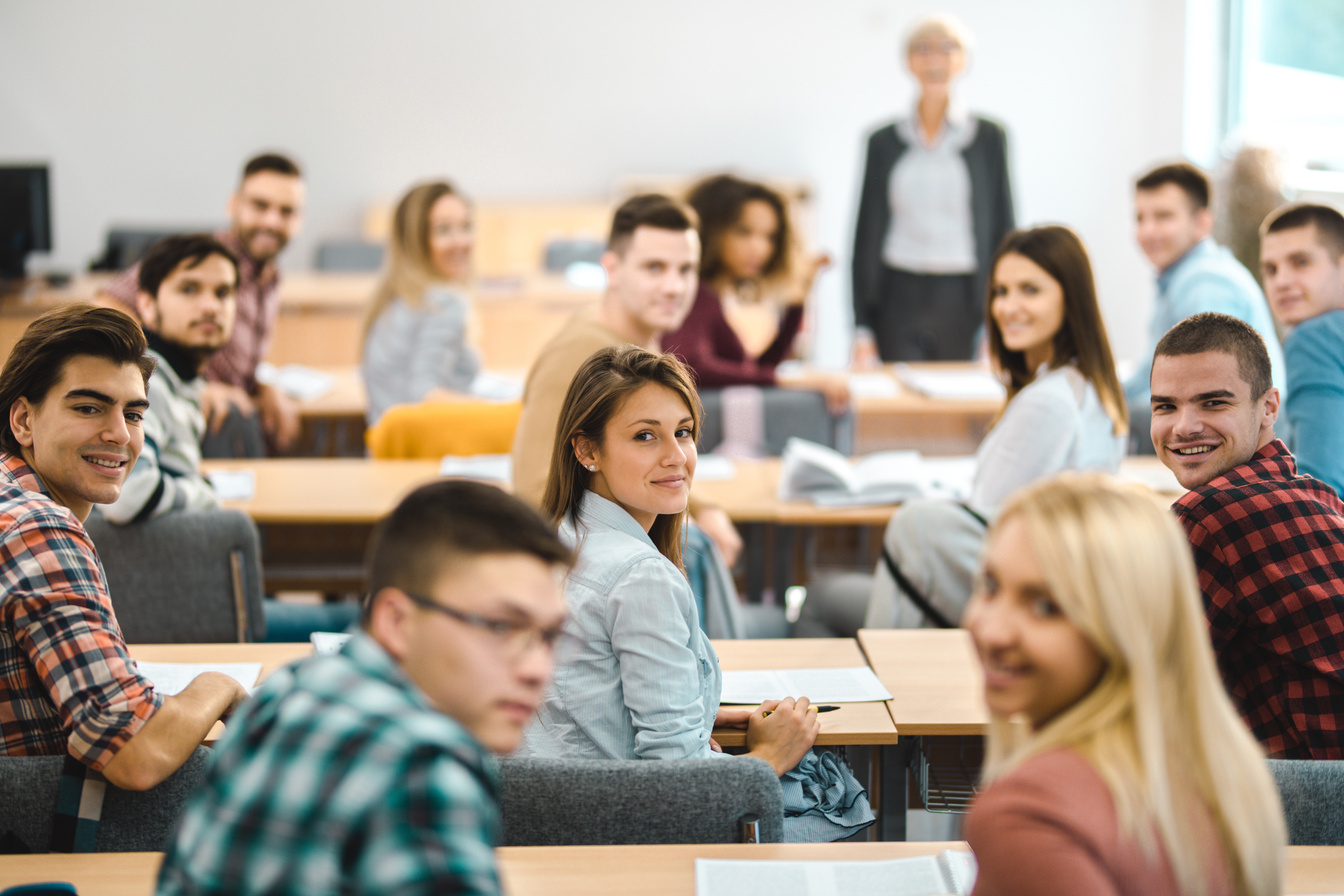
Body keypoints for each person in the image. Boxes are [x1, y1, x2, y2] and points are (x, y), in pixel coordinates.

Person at [521, 344, 872, 840]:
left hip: (553, 821)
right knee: (842, 796)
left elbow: (588, 698)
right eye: (646, 436)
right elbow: (681, 793)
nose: (676, 457)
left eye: (683, 433)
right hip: (625, 840)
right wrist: (769, 757)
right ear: (586, 450)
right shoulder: (640, 576)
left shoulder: (556, 538)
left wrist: (700, 707)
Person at [155, 480, 571, 895]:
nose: (538, 669)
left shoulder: (288, 689)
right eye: (500, 626)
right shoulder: (423, 766)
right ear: (397, 622)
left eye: (549, 636)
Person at [962, 473, 1284, 896]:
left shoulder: (1031, 814)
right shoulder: (1215, 769)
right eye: (990, 586)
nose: (993, 631)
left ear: (1124, 626)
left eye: (1046, 607)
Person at [0, 303, 246, 795]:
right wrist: (217, 686)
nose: (119, 434)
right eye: (88, 407)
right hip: (45, 829)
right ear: (24, 421)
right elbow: (136, 754)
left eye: (133, 413)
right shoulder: (37, 527)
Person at [862, 226, 1127, 631]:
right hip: (1058, 580)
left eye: (1029, 290)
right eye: (1001, 292)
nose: (1008, 306)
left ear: (1070, 297)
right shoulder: (1090, 387)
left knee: (911, 528)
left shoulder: (1048, 401)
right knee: (835, 594)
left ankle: (879, 675)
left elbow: (986, 517)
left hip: (1021, 587)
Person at [99, 235, 358, 640]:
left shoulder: (178, 382)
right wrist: (201, 492)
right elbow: (125, 498)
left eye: (223, 293)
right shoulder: (148, 388)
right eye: (189, 289)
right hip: (176, 608)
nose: (209, 305)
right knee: (361, 623)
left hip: (182, 589)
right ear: (146, 305)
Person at [511, 193, 743, 569]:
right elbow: (536, 494)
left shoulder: (640, 341)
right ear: (612, 268)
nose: (674, 287)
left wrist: (704, 507)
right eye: (654, 267)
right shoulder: (580, 352)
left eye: (685, 270)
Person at [1150, 312, 1344, 759]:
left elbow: (1134, 680)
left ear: (1269, 408)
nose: (1184, 427)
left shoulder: (1208, 517)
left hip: (1309, 809)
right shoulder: (1320, 496)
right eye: (1166, 406)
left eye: (1214, 403)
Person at [98, 152, 306, 454]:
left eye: (286, 211)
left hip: (230, 416)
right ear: (233, 204)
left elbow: (236, 364)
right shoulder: (201, 260)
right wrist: (188, 385)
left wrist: (262, 387)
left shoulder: (269, 277)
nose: (272, 221)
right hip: (187, 419)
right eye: (260, 206)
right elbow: (105, 309)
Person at [851, 14, 1015, 364]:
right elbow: (865, 233)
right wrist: (861, 326)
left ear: (964, 61)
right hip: (898, 292)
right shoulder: (882, 141)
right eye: (923, 49)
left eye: (948, 48)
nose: (935, 58)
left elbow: (1004, 226)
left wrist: (999, 318)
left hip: (964, 292)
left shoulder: (988, 138)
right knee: (900, 400)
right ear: (908, 61)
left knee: (958, 402)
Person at [662, 174, 847, 412]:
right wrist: (785, 381)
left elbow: (756, 371)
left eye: (769, 236)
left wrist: (797, 304)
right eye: (744, 232)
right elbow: (689, 366)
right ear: (711, 229)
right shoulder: (696, 293)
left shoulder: (713, 295)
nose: (760, 248)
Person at [1125, 162, 1284, 420]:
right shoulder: (1182, 276)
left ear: (1202, 223)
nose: (1147, 231)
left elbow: (1204, 392)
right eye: (1140, 218)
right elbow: (1149, 376)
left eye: (1163, 216)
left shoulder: (1204, 283)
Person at [362, 180, 481, 425]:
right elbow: (425, 396)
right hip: (424, 456)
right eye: (444, 230)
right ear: (415, 241)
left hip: (387, 453)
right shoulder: (443, 305)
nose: (461, 241)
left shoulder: (393, 298)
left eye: (466, 226)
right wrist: (508, 411)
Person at [1259, 202, 1344, 493]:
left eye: (1301, 262)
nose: (1280, 281)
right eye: (1270, 269)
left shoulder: (1315, 337)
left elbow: (1322, 491)